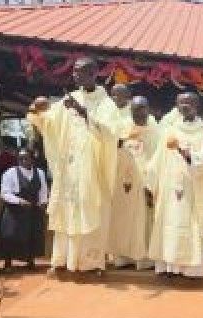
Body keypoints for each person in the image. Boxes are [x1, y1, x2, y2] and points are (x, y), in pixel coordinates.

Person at [27, 58, 118, 275]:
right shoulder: (69, 99)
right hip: (68, 169)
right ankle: (62, 261)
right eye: (74, 71)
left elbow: (111, 134)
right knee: (66, 212)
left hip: (91, 171)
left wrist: (83, 112)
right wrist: (37, 111)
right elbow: (50, 123)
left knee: (89, 212)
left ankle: (90, 263)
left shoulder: (106, 103)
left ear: (94, 74)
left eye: (80, 72)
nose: (75, 75)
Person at [146, 92, 203, 280]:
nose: (185, 106)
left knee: (193, 225)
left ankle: (192, 270)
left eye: (189, 102)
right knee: (170, 223)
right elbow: (157, 160)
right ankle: (170, 267)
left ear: (196, 105)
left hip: (194, 188)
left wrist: (190, 156)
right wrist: (150, 183)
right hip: (169, 187)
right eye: (181, 102)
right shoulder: (169, 131)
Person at [106, 92, 156, 270]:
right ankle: (122, 256)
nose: (138, 113)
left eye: (142, 109)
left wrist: (152, 185)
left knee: (144, 222)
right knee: (123, 220)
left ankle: (143, 258)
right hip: (124, 184)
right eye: (135, 109)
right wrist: (123, 139)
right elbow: (110, 148)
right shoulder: (122, 126)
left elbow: (159, 159)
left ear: (148, 109)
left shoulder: (155, 130)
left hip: (146, 185)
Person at [0, 148, 47, 268]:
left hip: (33, 209)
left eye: (26, 158)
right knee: (10, 235)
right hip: (14, 210)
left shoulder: (40, 173)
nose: (23, 161)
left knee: (32, 234)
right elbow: (5, 193)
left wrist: (43, 202)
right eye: (20, 158)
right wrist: (19, 201)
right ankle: (8, 263)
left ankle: (30, 261)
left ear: (32, 159)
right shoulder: (10, 173)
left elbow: (43, 190)